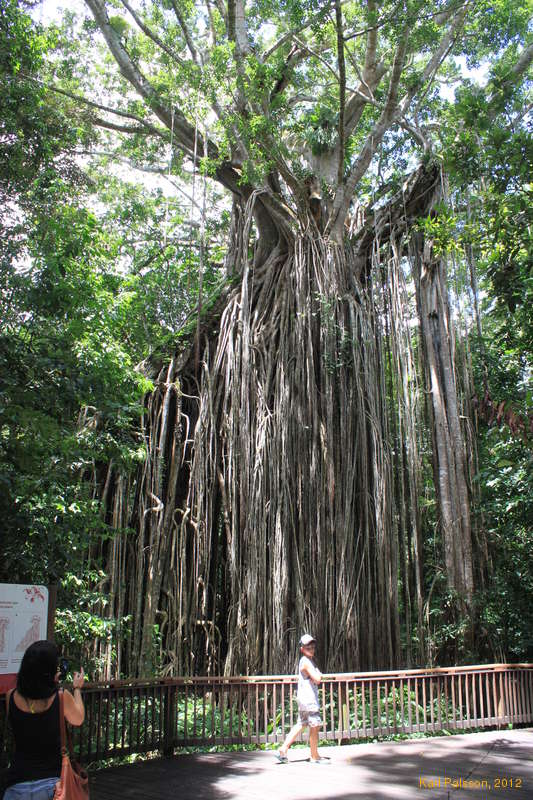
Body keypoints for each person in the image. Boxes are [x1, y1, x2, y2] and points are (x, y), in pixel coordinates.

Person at [3, 640, 85, 800]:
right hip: (52, 785)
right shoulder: (61, 697)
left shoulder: (11, 696)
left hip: (16, 784)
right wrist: (77, 689)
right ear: (50, 670)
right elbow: (78, 719)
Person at [276, 633, 327, 764]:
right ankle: (314, 756)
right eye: (308, 647)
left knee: (302, 724)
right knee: (314, 725)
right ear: (302, 649)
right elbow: (317, 679)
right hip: (309, 700)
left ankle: (283, 749)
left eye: (313, 646)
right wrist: (318, 674)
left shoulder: (306, 661)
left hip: (304, 699)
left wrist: (316, 673)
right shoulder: (305, 662)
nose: (311, 649)